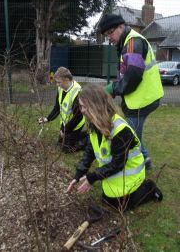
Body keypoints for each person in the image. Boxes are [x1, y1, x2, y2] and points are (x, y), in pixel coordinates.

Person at [67, 84, 162, 211]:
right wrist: (78, 174)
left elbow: (118, 163)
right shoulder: (93, 123)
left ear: (96, 106)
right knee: (108, 200)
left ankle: (149, 188)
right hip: (115, 176)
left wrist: (92, 177)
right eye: (81, 106)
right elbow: (90, 151)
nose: (82, 110)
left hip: (130, 174)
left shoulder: (120, 130)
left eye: (84, 106)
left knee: (120, 206)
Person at [98, 14, 164, 170]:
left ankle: (134, 166)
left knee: (129, 137)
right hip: (139, 98)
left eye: (110, 33)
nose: (109, 38)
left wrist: (113, 89)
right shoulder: (127, 42)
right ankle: (145, 159)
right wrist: (116, 87)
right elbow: (127, 73)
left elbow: (133, 76)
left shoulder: (133, 42)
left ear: (121, 26)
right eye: (106, 35)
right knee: (133, 133)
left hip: (143, 100)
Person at [38, 66, 87, 153]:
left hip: (75, 124)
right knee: (60, 144)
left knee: (67, 150)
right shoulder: (61, 88)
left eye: (59, 82)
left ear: (67, 80)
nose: (57, 85)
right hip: (65, 123)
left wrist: (65, 130)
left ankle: (86, 138)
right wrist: (47, 119)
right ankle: (75, 137)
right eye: (57, 82)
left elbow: (77, 117)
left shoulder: (77, 92)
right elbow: (57, 107)